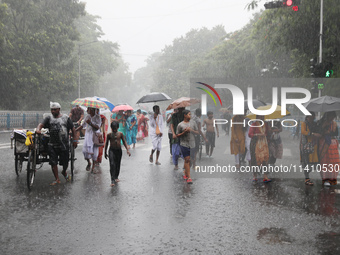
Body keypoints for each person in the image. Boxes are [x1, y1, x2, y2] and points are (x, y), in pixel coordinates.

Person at [36, 102, 78, 185]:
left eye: (54, 110)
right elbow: (41, 125)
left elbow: (73, 129)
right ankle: (57, 179)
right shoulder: (49, 118)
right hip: (52, 144)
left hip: (64, 144)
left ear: (59, 109)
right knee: (53, 162)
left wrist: (74, 140)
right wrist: (38, 129)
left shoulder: (66, 118)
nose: (53, 111)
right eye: (52, 110)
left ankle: (64, 171)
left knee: (65, 162)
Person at [105, 121, 131, 186]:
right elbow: (106, 143)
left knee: (117, 164)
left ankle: (116, 176)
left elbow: (124, 141)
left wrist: (127, 150)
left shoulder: (120, 134)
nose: (114, 130)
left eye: (115, 128)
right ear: (111, 128)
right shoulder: (109, 135)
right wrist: (105, 152)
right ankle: (112, 180)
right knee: (112, 164)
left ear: (118, 127)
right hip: (111, 150)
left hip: (118, 150)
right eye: (113, 128)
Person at [317, 111, 340, 186]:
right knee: (325, 161)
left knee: (334, 162)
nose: (332, 118)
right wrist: (324, 128)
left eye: (333, 116)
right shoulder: (321, 123)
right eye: (331, 116)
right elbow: (319, 132)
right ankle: (325, 178)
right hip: (324, 144)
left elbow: (336, 133)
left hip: (333, 144)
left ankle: (332, 178)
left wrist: (329, 132)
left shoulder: (334, 124)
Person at [76, 107, 101, 173]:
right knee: (85, 151)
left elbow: (98, 127)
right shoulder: (87, 116)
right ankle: (88, 162)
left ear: (92, 110)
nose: (87, 110)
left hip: (95, 136)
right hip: (88, 136)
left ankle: (93, 167)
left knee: (95, 153)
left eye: (88, 109)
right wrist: (75, 130)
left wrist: (90, 123)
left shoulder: (98, 117)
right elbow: (82, 125)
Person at [176, 110, 199, 184]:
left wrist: (191, 130)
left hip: (192, 144)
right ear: (185, 115)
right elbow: (177, 135)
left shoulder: (193, 123)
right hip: (184, 144)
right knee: (187, 159)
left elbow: (197, 132)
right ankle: (189, 177)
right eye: (189, 114)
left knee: (191, 160)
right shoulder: (180, 125)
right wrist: (184, 132)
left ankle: (185, 172)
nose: (191, 116)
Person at [248, 115, 270, 183]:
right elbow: (250, 134)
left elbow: (267, 133)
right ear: (257, 118)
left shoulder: (266, 124)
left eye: (262, 117)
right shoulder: (254, 124)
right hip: (255, 144)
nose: (262, 118)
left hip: (264, 144)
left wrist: (270, 130)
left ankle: (265, 176)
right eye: (260, 117)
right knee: (255, 160)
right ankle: (255, 176)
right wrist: (257, 135)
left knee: (265, 159)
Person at [300, 112, 320, 186]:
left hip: (314, 146)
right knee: (306, 162)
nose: (313, 117)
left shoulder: (314, 124)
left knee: (312, 163)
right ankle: (307, 178)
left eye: (313, 116)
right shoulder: (304, 124)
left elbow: (318, 131)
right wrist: (312, 134)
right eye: (311, 116)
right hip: (306, 146)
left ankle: (307, 177)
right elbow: (303, 132)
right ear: (308, 117)